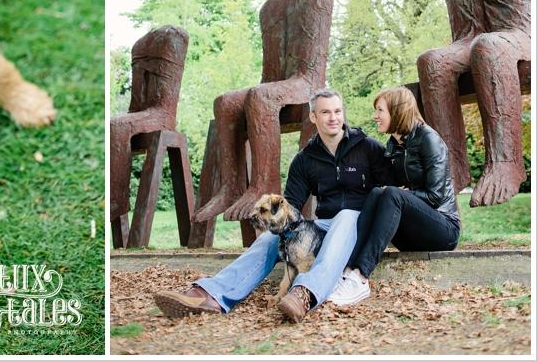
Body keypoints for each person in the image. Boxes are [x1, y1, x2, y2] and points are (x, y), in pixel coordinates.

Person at [154, 88, 387, 323]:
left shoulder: (368, 147)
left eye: (337, 111)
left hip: (358, 226)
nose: (334, 118)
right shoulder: (305, 159)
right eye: (326, 112)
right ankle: (213, 294)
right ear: (313, 117)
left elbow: (392, 196)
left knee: (346, 215)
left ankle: (305, 294)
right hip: (323, 228)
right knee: (270, 237)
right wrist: (276, 226)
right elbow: (291, 207)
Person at [327, 86, 460, 306]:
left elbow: (436, 197)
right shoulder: (393, 144)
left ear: (397, 112)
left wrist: (402, 194)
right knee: (378, 192)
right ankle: (348, 270)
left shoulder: (428, 139)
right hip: (413, 232)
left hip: (444, 229)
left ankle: (360, 277)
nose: (375, 116)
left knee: (391, 194)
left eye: (380, 110)